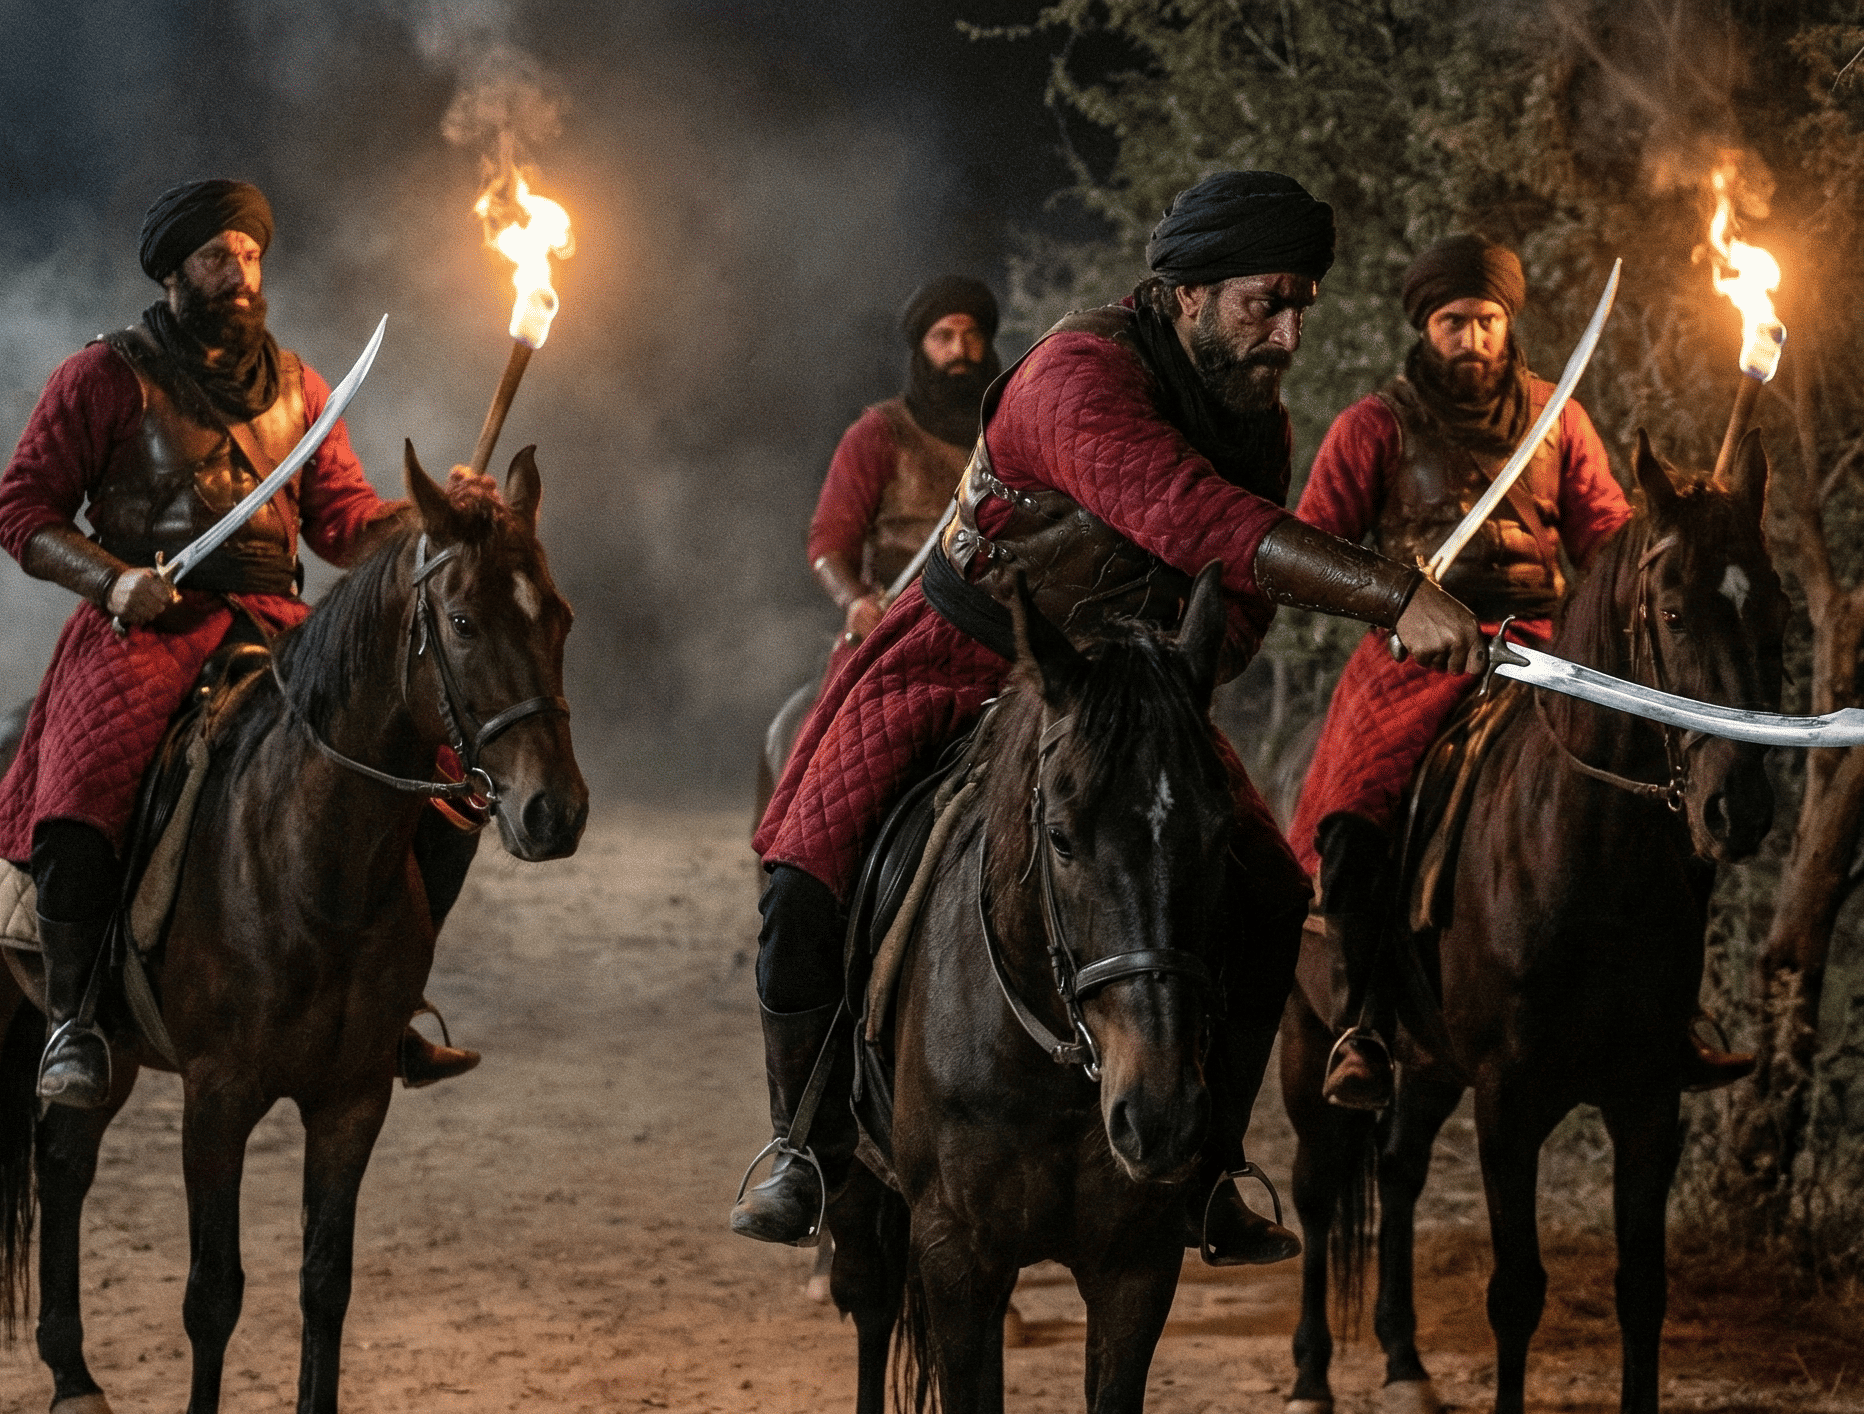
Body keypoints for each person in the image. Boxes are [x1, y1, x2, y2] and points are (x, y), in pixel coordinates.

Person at [736, 170, 1484, 1261]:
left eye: (1298, 307)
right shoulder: (1073, 377)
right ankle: (803, 1148)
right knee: (808, 872)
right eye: (1261, 301)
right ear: (1186, 293)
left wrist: (1174, 686)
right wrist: (1392, 592)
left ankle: (1209, 1169)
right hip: (962, 652)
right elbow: (1191, 517)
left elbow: (1233, 604)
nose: (1284, 331)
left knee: (1271, 889)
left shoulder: (1253, 416)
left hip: (1119, 695)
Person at [0, 178, 490, 1109]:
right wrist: (112, 579)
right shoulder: (104, 377)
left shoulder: (300, 389)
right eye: (219, 256)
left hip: (278, 626)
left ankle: (387, 1002)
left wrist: (432, 515)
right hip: (146, 623)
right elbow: (22, 510)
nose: (241, 273)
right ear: (176, 270)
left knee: (447, 777)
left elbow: (342, 525)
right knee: (83, 784)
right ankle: (74, 1018)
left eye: (251, 255)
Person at [1286, 233, 1748, 1111]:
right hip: (1416, 653)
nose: (1474, 338)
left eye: (1488, 320)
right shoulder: (1372, 426)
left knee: (1664, 793)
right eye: (1455, 322)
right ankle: (1365, 1023)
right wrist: (1392, 602)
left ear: (1508, 324)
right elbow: (1312, 552)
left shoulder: (1558, 419)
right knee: (1354, 813)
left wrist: (1681, 525)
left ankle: (1667, 1015)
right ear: (1426, 328)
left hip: (1543, 649)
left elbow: (1610, 539)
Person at [807, 275, 1001, 644]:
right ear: (921, 347)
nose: (960, 349)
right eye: (943, 336)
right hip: (904, 623)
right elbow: (829, 541)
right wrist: (856, 602)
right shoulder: (879, 433)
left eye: (973, 335)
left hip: (999, 618)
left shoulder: (1009, 430)